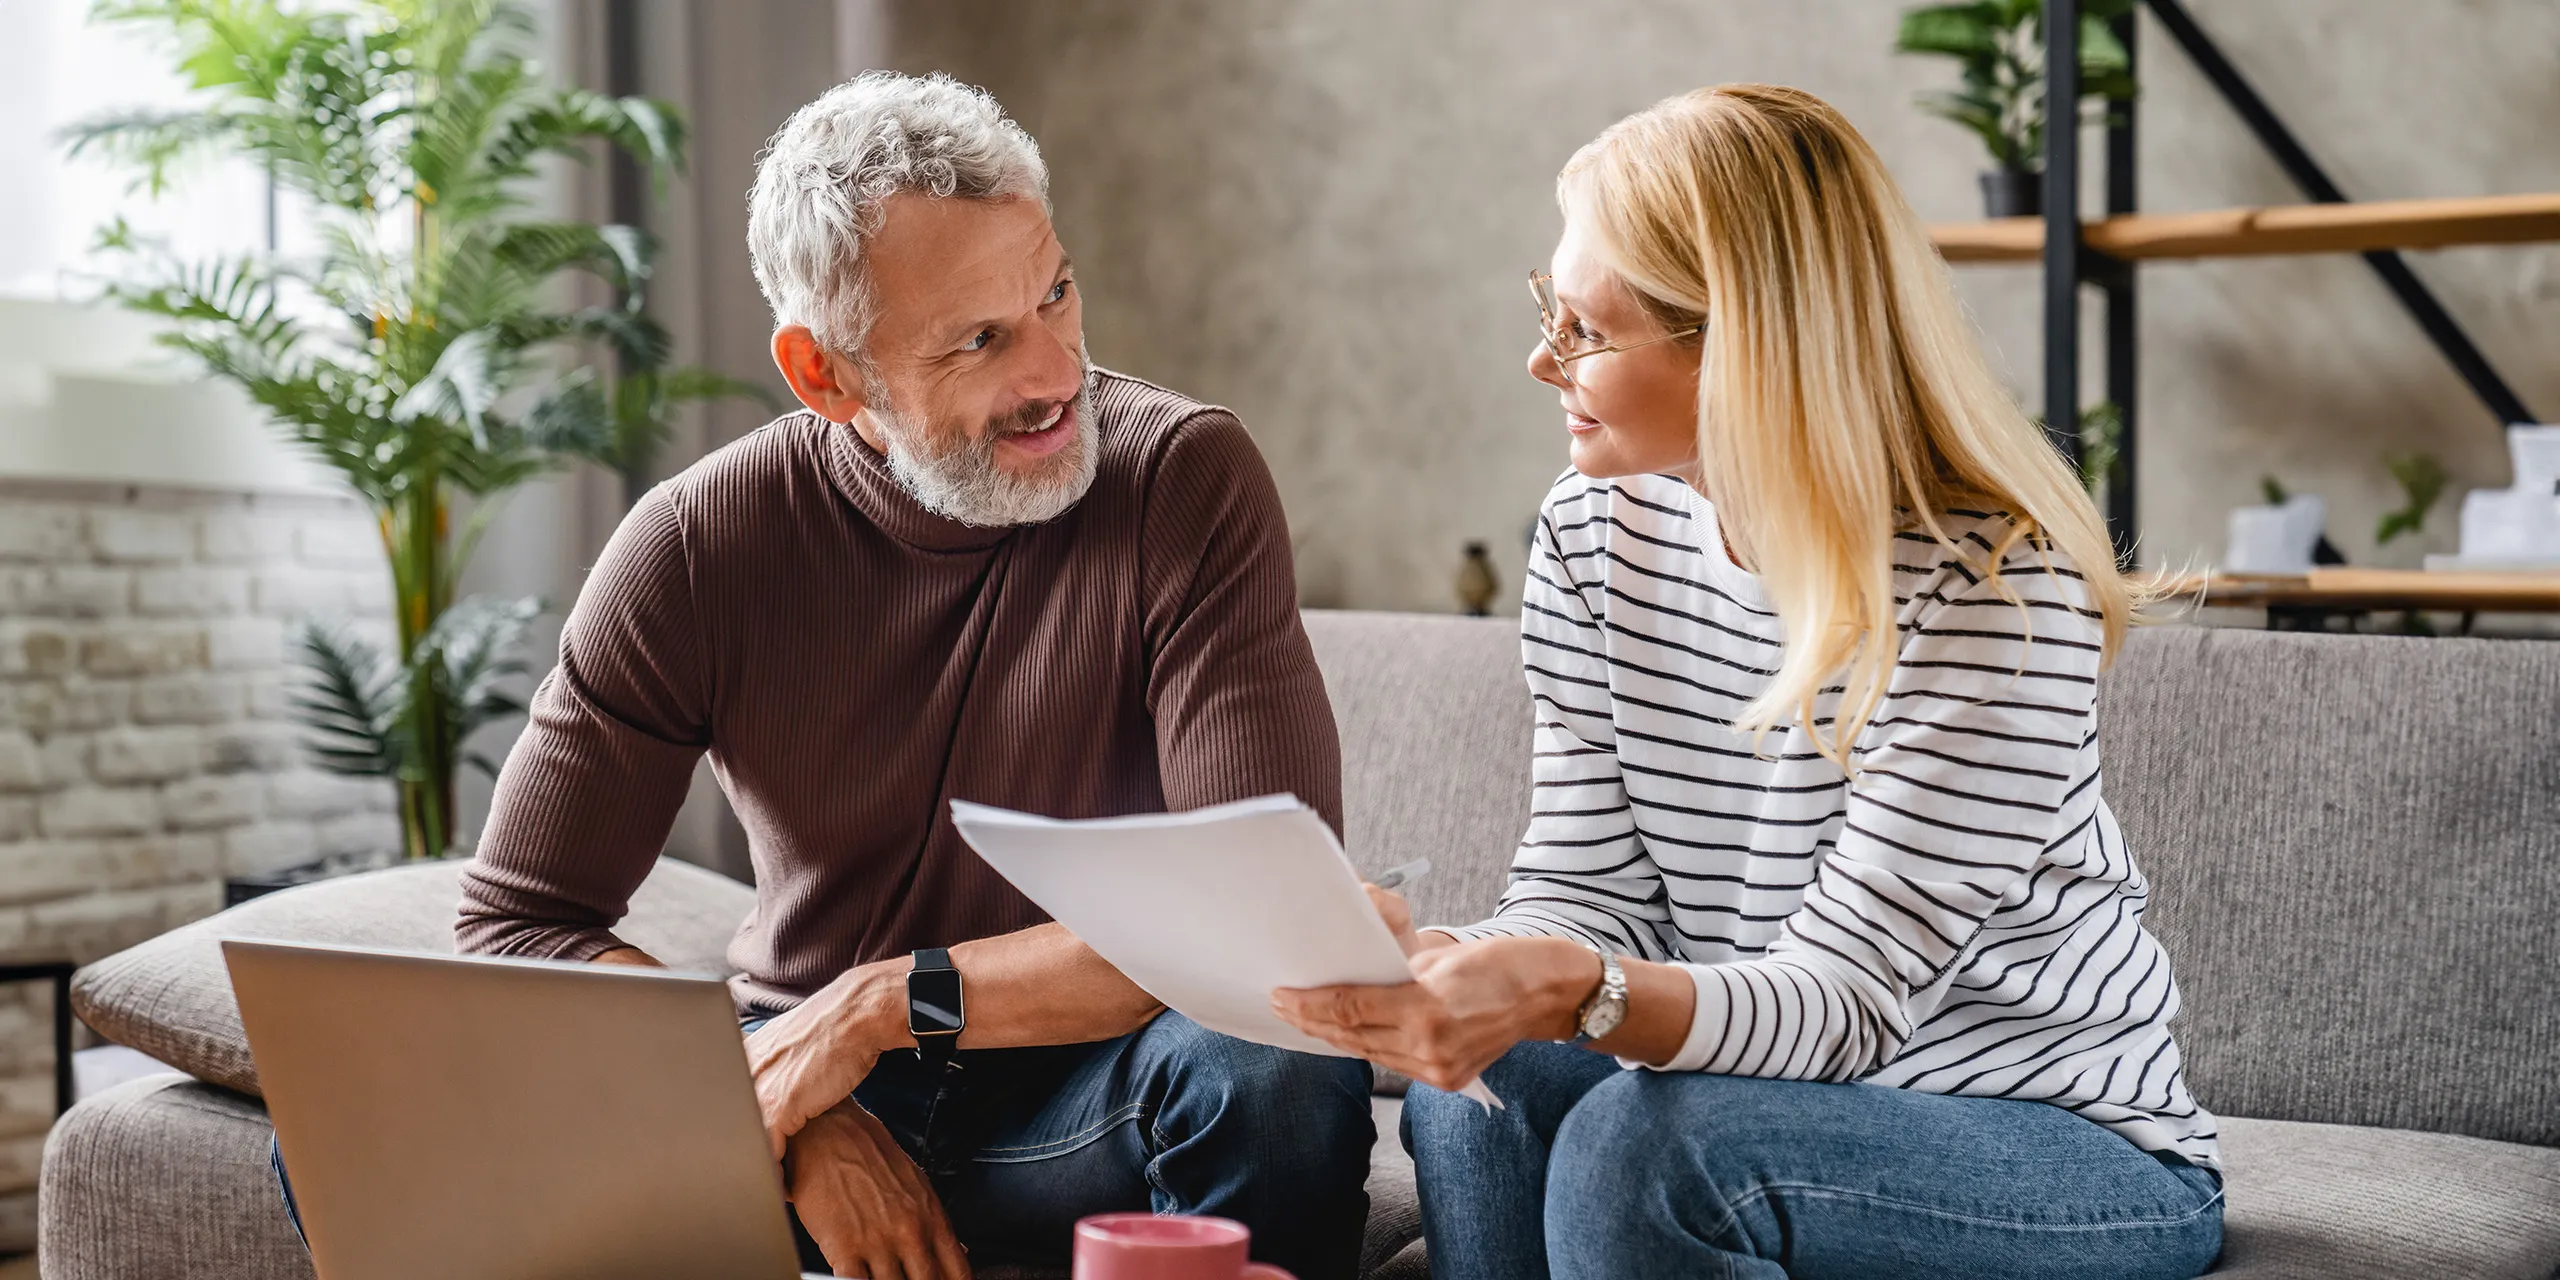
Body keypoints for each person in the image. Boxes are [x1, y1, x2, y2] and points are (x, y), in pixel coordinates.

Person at [1273, 84, 2222, 1280]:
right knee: (1485, 1084)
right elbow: (1583, 889)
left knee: (1640, 1147)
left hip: (2055, 1140)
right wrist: (1460, 965)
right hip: (1763, 1088)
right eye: (1545, 310)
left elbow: (1848, 1001)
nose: (1541, 358)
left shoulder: (1996, 587)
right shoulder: (1590, 531)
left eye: (1585, 329)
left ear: (1744, 346)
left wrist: (1580, 988)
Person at [454, 72, 1372, 1280]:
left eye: (1054, 292)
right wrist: (791, 1111)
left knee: (1281, 1060)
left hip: (1085, 1098)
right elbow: (517, 923)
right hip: (796, 1080)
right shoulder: (694, 542)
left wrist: (882, 1002)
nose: (1054, 374)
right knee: (357, 1133)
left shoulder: (1181, 479)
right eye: (979, 339)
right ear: (826, 375)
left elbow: (1261, 926)